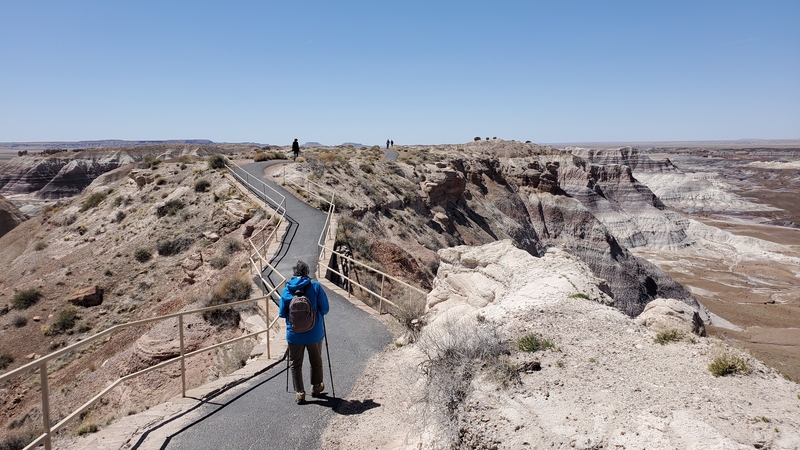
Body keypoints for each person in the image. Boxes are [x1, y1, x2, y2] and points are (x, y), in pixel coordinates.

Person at [279, 260, 330, 404]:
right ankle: (317, 387)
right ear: (307, 273)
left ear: (294, 274)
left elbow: (282, 314)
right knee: (316, 360)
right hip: (315, 333)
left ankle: (300, 393)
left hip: (294, 335)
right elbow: (325, 309)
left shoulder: (286, 290)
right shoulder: (315, 286)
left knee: (296, 364)